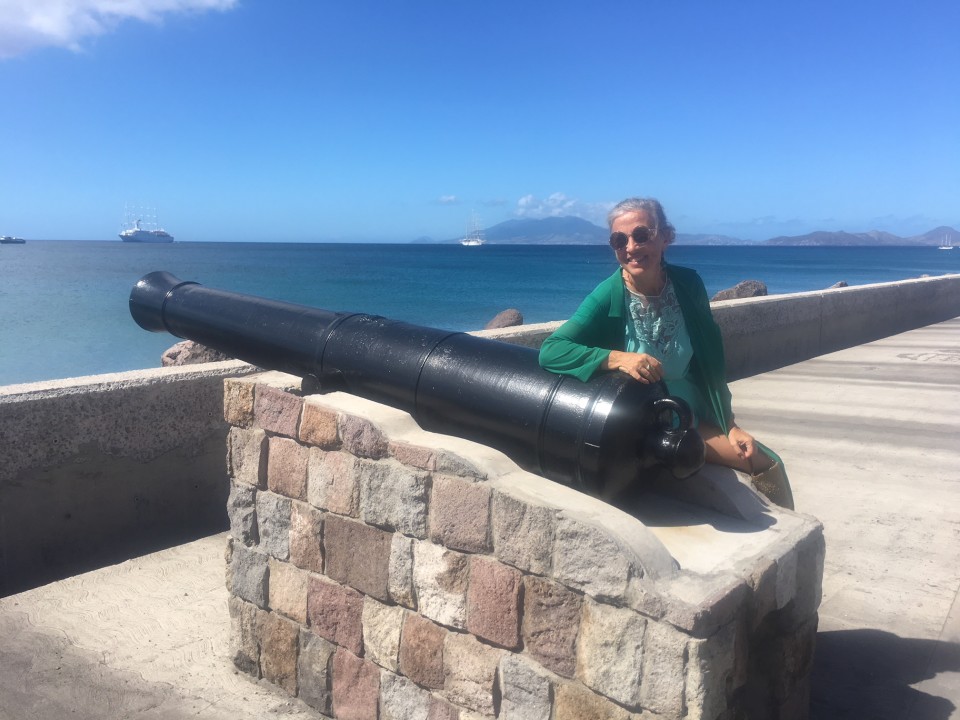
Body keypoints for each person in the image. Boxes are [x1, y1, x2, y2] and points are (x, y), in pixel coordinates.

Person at [539, 197, 792, 506]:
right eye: (619, 240)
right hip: (654, 415)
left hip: (694, 406)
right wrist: (618, 358)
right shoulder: (607, 295)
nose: (630, 247)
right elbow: (552, 350)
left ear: (665, 237)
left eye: (641, 235)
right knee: (761, 462)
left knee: (764, 460)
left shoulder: (688, 284)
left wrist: (730, 424)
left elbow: (709, 364)